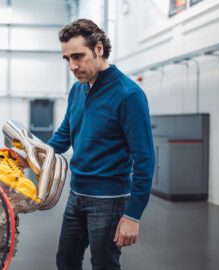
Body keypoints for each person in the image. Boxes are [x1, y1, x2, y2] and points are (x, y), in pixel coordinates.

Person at [47, 19, 155, 270]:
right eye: (67, 59)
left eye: (78, 56)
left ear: (98, 49)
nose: (73, 66)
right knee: (65, 261)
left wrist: (132, 215)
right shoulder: (78, 90)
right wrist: (27, 156)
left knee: (104, 265)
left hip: (109, 200)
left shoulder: (129, 95)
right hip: (77, 196)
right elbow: (63, 136)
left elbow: (145, 159)